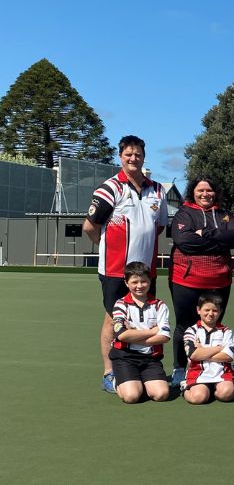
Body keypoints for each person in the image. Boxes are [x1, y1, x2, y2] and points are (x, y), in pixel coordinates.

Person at [84, 135, 168, 393]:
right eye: (128, 155)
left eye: (138, 154)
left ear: (144, 157)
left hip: (145, 271)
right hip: (115, 270)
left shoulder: (157, 190)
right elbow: (89, 226)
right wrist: (107, 247)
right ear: (120, 157)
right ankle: (110, 372)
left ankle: (138, 368)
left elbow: (160, 225)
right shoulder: (109, 188)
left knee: (144, 318)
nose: (133, 159)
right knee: (113, 319)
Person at [168, 176, 234, 387]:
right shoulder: (184, 213)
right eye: (200, 190)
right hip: (187, 280)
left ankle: (213, 368)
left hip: (219, 279)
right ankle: (179, 368)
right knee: (185, 326)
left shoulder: (224, 214)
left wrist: (206, 234)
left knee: (213, 326)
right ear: (193, 192)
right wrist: (219, 241)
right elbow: (184, 242)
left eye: (209, 190)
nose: (205, 194)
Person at [108, 261, 171, 403]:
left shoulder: (159, 305)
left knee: (161, 395)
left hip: (150, 358)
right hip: (125, 357)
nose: (139, 286)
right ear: (126, 283)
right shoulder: (120, 304)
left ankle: (140, 380)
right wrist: (153, 331)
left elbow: (165, 336)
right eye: (134, 282)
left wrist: (133, 336)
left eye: (144, 281)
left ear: (150, 282)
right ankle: (117, 381)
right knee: (131, 397)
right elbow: (122, 335)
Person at [181, 292, 234, 404]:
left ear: (220, 312)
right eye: (207, 310)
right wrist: (218, 348)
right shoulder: (191, 331)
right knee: (198, 398)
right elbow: (193, 355)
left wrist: (202, 352)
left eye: (215, 310)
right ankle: (185, 388)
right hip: (198, 373)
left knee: (227, 394)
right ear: (198, 310)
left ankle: (213, 389)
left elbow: (228, 356)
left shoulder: (226, 332)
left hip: (222, 373)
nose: (210, 314)